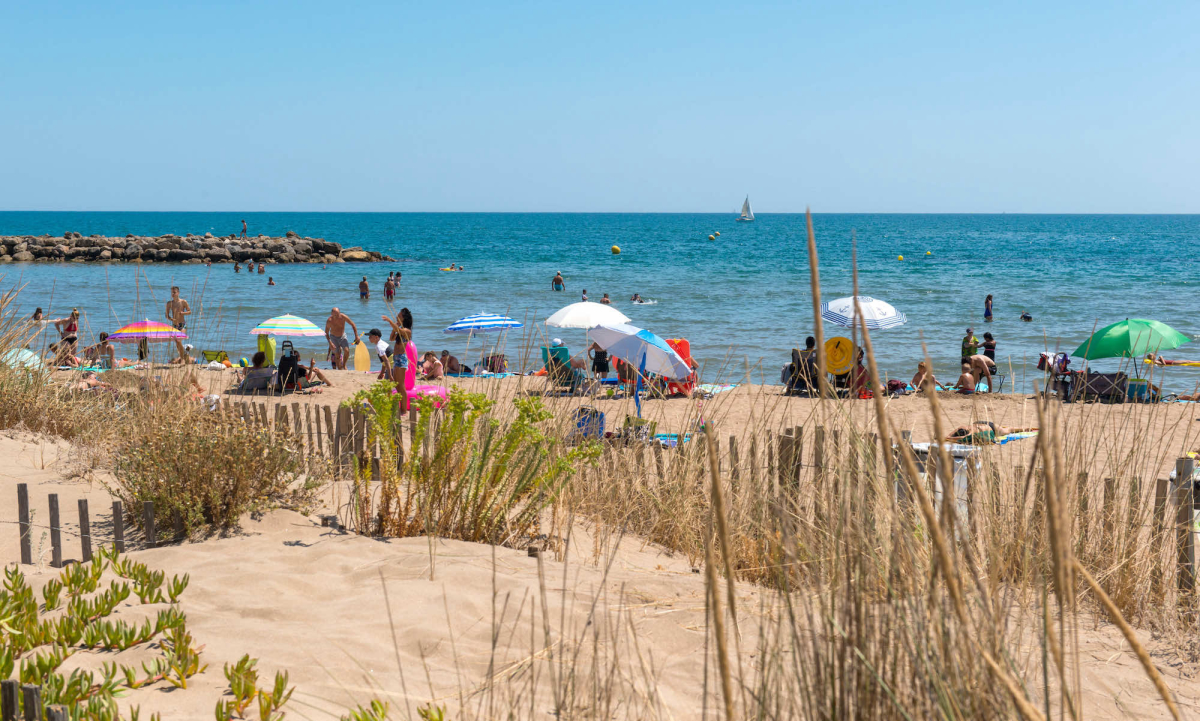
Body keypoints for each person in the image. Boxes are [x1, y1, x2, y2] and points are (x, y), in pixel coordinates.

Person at [949, 421, 1037, 445]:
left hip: (992, 428)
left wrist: (949, 439)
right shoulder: (962, 427)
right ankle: (1025, 428)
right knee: (1007, 429)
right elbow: (950, 435)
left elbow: (964, 438)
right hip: (981, 422)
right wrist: (947, 437)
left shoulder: (971, 432)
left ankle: (1025, 428)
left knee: (1009, 430)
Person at [165, 286, 192, 362]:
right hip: (174, 325)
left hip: (182, 324)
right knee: (177, 343)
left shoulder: (183, 302)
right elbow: (166, 315)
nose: (173, 294)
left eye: (174, 292)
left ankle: (183, 358)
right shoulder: (169, 303)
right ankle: (183, 357)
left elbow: (189, 311)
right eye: (172, 293)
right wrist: (171, 319)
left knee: (179, 340)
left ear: (178, 293)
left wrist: (182, 313)